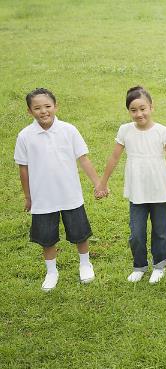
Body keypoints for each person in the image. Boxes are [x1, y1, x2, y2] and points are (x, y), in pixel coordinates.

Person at [96, 86, 166, 284]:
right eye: (133, 110)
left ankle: (159, 265)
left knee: (161, 232)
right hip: (137, 190)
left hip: (161, 190)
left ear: (151, 107)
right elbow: (114, 157)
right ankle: (139, 265)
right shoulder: (125, 130)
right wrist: (102, 183)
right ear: (128, 111)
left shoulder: (162, 131)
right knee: (136, 233)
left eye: (142, 108)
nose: (139, 114)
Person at [15, 88, 102, 291]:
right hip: (42, 197)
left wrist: (97, 183)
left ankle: (85, 264)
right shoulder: (25, 136)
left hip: (70, 193)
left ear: (56, 107)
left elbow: (83, 159)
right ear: (29, 111)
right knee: (47, 236)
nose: (43, 111)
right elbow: (23, 168)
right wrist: (28, 196)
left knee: (80, 232)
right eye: (37, 108)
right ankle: (52, 271)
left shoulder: (68, 130)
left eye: (47, 106)